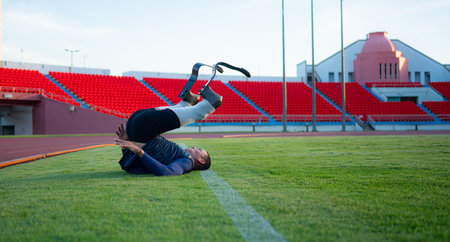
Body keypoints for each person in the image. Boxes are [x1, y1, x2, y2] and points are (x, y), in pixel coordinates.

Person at [114, 85, 222, 176]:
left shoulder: (188, 162)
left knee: (148, 118)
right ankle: (186, 103)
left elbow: (168, 172)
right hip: (141, 130)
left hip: (142, 131)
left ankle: (206, 106)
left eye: (198, 149)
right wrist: (129, 143)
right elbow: (137, 160)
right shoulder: (180, 156)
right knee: (151, 116)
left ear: (201, 160)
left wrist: (135, 149)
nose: (194, 147)